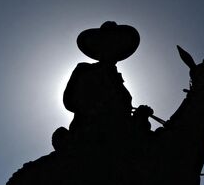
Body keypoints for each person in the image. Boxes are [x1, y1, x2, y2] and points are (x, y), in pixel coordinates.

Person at [52, 21, 153, 155]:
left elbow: (125, 117)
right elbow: (70, 102)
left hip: (118, 135)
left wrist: (141, 116)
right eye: (108, 44)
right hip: (90, 133)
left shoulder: (121, 86)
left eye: (116, 46)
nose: (112, 50)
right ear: (99, 49)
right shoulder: (84, 70)